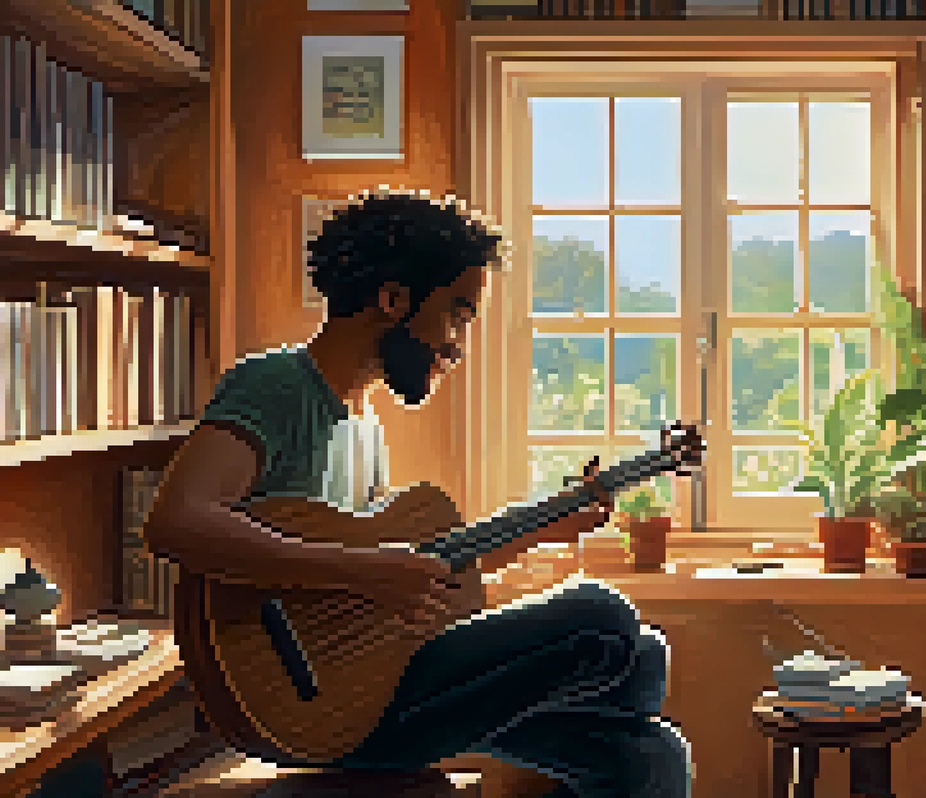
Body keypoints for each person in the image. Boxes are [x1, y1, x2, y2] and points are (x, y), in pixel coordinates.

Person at [143, 190, 690, 798]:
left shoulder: (363, 423)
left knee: (652, 748)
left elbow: (406, 581)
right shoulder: (275, 386)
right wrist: (365, 572)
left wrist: (547, 529)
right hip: (314, 707)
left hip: (378, 683)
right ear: (394, 299)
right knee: (604, 617)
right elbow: (176, 521)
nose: (457, 345)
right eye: (457, 313)